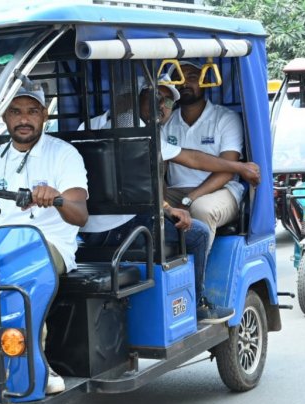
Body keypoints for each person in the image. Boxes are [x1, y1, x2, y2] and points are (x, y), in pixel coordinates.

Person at [81, 81, 260, 323]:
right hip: (119, 226)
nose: (162, 107)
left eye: (167, 102)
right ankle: (197, 304)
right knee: (197, 233)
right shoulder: (140, 132)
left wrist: (167, 206)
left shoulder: (92, 124)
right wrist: (167, 208)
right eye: (156, 98)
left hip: (87, 227)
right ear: (138, 96)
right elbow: (190, 160)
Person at [0, 83, 89, 394]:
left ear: (44, 116)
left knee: (19, 274)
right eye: (16, 112)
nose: (24, 119)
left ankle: (37, 364)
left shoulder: (63, 154)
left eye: (32, 111)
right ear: (5, 118)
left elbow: (80, 213)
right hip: (3, 243)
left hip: (49, 245)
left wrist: (58, 198)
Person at [162, 61, 254, 249]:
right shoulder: (167, 122)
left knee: (202, 210)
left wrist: (190, 198)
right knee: (146, 208)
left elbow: (227, 170)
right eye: (178, 78)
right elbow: (158, 169)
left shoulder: (225, 118)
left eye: (193, 77)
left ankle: (199, 276)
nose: (185, 83)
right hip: (176, 191)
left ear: (205, 80)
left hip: (222, 190)